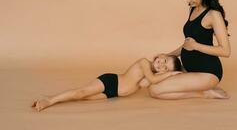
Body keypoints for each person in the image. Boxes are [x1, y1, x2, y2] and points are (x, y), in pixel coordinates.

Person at [148, 0, 231, 100]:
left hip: (207, 73)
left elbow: (225, 51)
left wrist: (196, 46)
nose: (188, 1)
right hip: (188, 70)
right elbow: (188, 44)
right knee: (153, 82)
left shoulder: (213, 15)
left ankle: (205, 93)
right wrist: (168, 55)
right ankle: (201, 89)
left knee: (154, 90)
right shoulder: (193, 8)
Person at [31, 54, 182, 112]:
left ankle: (50, 97)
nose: (161, 65)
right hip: (111, 81)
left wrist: (168, 75)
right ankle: (49, 100)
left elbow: (151, 82)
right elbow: (154, 79)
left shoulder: (148, 78)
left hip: (113, 93)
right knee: (81, 92)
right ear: (161, 54)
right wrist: (171, 73)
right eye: (164, 60)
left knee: (82, 98)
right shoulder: (144, 63)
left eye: (164, 67)